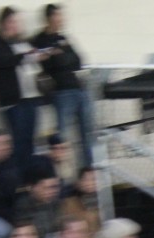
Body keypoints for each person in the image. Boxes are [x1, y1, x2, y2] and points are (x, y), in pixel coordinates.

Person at [0, 6, 45, 172]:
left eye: (17, 22)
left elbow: (31, 61)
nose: (14, 25)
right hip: (13, 100)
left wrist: (36, 55)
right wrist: (24, 56)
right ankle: (16, 177)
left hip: (31, 97)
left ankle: (29, 177)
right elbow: (3, 61)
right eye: (11, 21)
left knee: (30, 140)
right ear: (2, 23)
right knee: (17, 142)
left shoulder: (23, 42)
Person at [32, 3, 94, 165]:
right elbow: (49, 64)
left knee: (86, 134)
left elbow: (78, 61)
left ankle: (87, 170)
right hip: (61, 92)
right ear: (49, 18)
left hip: (78, 89)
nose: (62, 19)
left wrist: (59, 56)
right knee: (61, 138)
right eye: (58, 15)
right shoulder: (39, 40)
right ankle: (58, 172)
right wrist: (60, 57)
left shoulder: (63, 38)